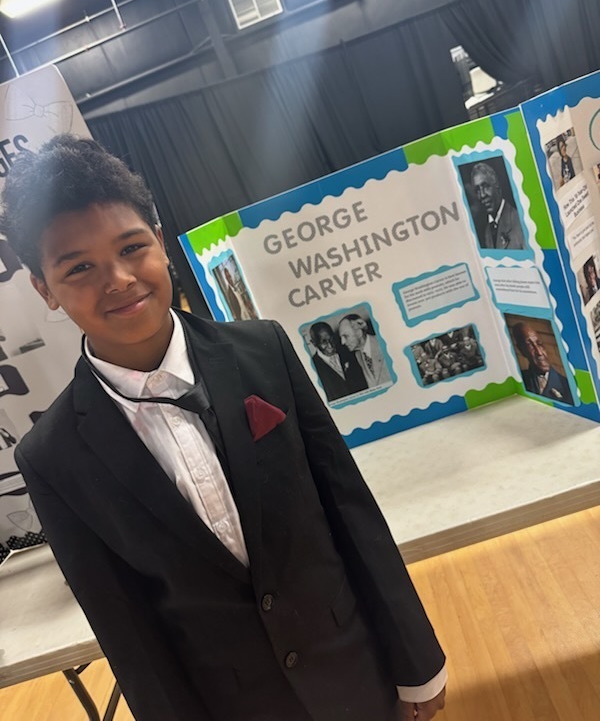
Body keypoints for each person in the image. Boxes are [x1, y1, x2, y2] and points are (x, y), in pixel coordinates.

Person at [0, 136, 446, 721]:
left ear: (161, 243)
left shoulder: (264, 351)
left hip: (354, 669)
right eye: (79, 267)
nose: (118, 278)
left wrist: (418, 661)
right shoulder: (52, 455)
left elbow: (350, 511)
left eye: (132, 247)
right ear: (45, 289)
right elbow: (123, 624)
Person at [512, 321, 573, 405]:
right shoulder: (519, 380)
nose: (539, 352)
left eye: (539, 343)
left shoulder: (568, 386)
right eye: (530, 345)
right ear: (521, 350)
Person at [471, 161, 526, 250]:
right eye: (477, 190)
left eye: (486, 186)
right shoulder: (487, 231)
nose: (482, 195)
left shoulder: (519, 222)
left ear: (496, 185)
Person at [308, 321, 367, 401]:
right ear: (314, 343)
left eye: (331, 339)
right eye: (324, 342)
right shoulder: (312, 368)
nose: (330, 346)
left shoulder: (348, 350)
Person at [338, 313, 393, 388]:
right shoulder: (358, 355)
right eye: (341, 337)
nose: (342, 342)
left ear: (359, 331)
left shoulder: (384, 342)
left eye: (345, 336)